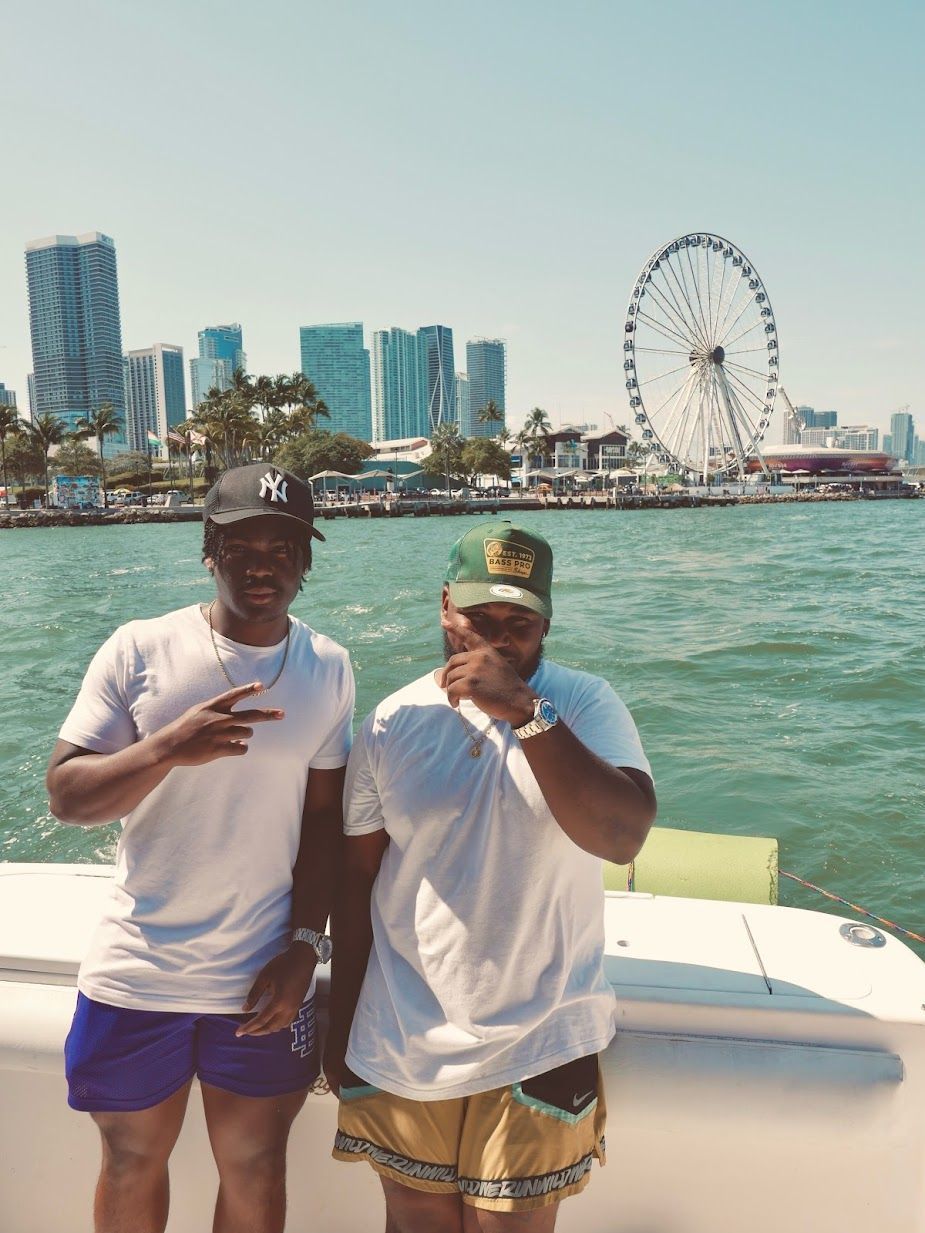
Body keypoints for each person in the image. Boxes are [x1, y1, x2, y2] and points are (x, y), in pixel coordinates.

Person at [46, 463, 354, 1233]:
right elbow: (67, 795)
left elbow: (323, 825)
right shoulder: (139, 649)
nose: (263, 563)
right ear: (207, 552)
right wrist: (165, 749)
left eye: (283, 547)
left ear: (304, 560)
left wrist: (304, 948)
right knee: (128, 1161)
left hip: (260, 976)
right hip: (138, 968)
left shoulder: (329, 668)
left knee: (255, 1164)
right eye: (241, 545)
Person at [326, 520, 656, 1231]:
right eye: (479, 619)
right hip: (400, 1034)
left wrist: (527, 714)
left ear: (546, 624)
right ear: (445, 604)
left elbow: (622, 836)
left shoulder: (586, 704)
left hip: (541, 1036)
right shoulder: (390, 720)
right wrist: (340, 1028)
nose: (498, 641)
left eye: (520, 624)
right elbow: (355, 884)